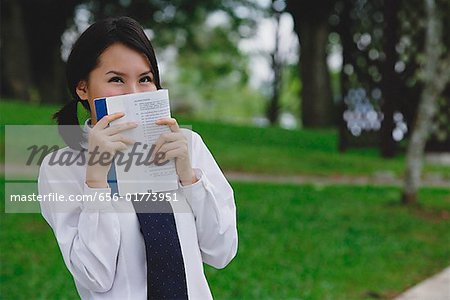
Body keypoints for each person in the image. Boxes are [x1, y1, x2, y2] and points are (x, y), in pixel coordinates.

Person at [38, 16, 238, 300]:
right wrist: (96, 178)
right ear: (83, 88)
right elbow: (95, 275)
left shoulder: (187, 146)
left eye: (145, 79)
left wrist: (190, 178)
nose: (133, 94)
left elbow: (221, 251)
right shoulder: (61, 168)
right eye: (116, 80)